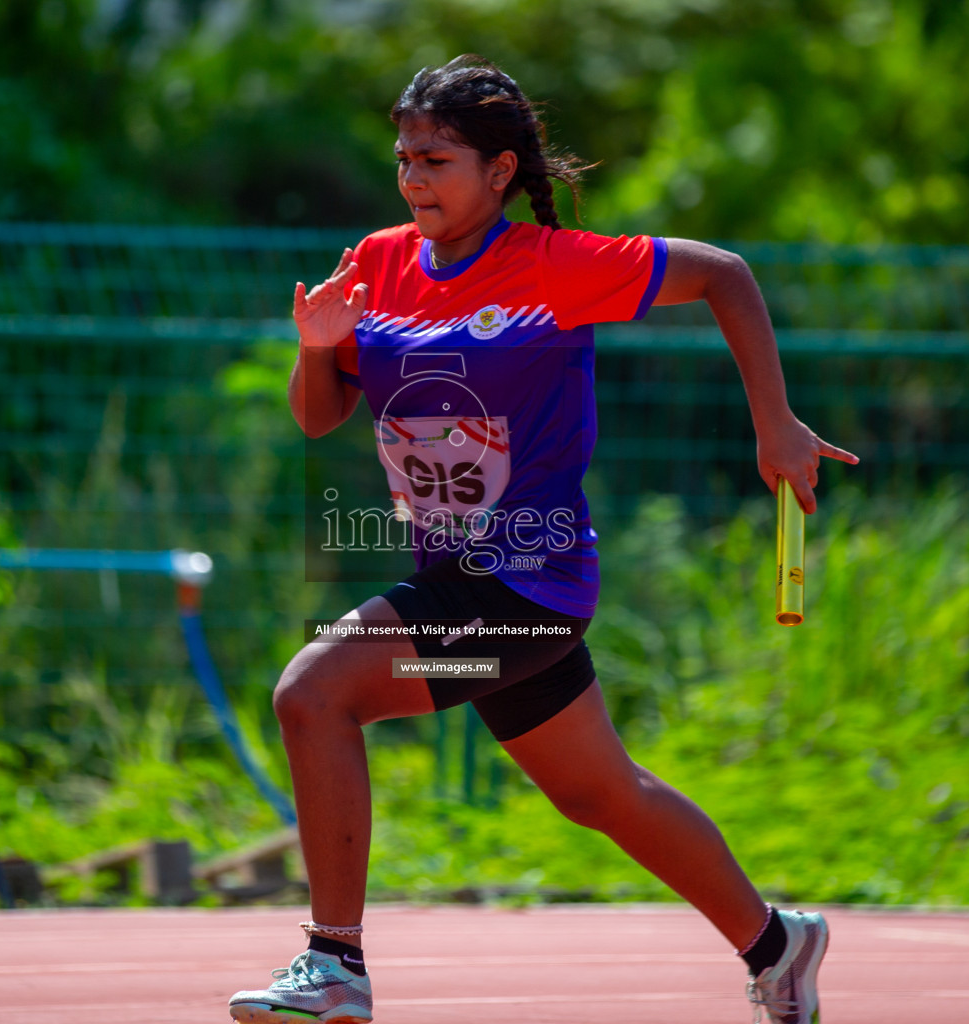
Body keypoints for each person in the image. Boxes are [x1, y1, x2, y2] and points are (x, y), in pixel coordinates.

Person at [228, 54, 858, 1024]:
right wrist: (316, 347)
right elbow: (319, 417)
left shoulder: (562, 267)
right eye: (404, 159)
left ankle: (335, 963)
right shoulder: (381, 261)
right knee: (598, 791)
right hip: (465, 575)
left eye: (435, 159)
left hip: (527, 579)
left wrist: (775, 424)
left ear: (501, 172)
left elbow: (725, 277)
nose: (414, 179)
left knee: (314, 693)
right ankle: (778, 945)